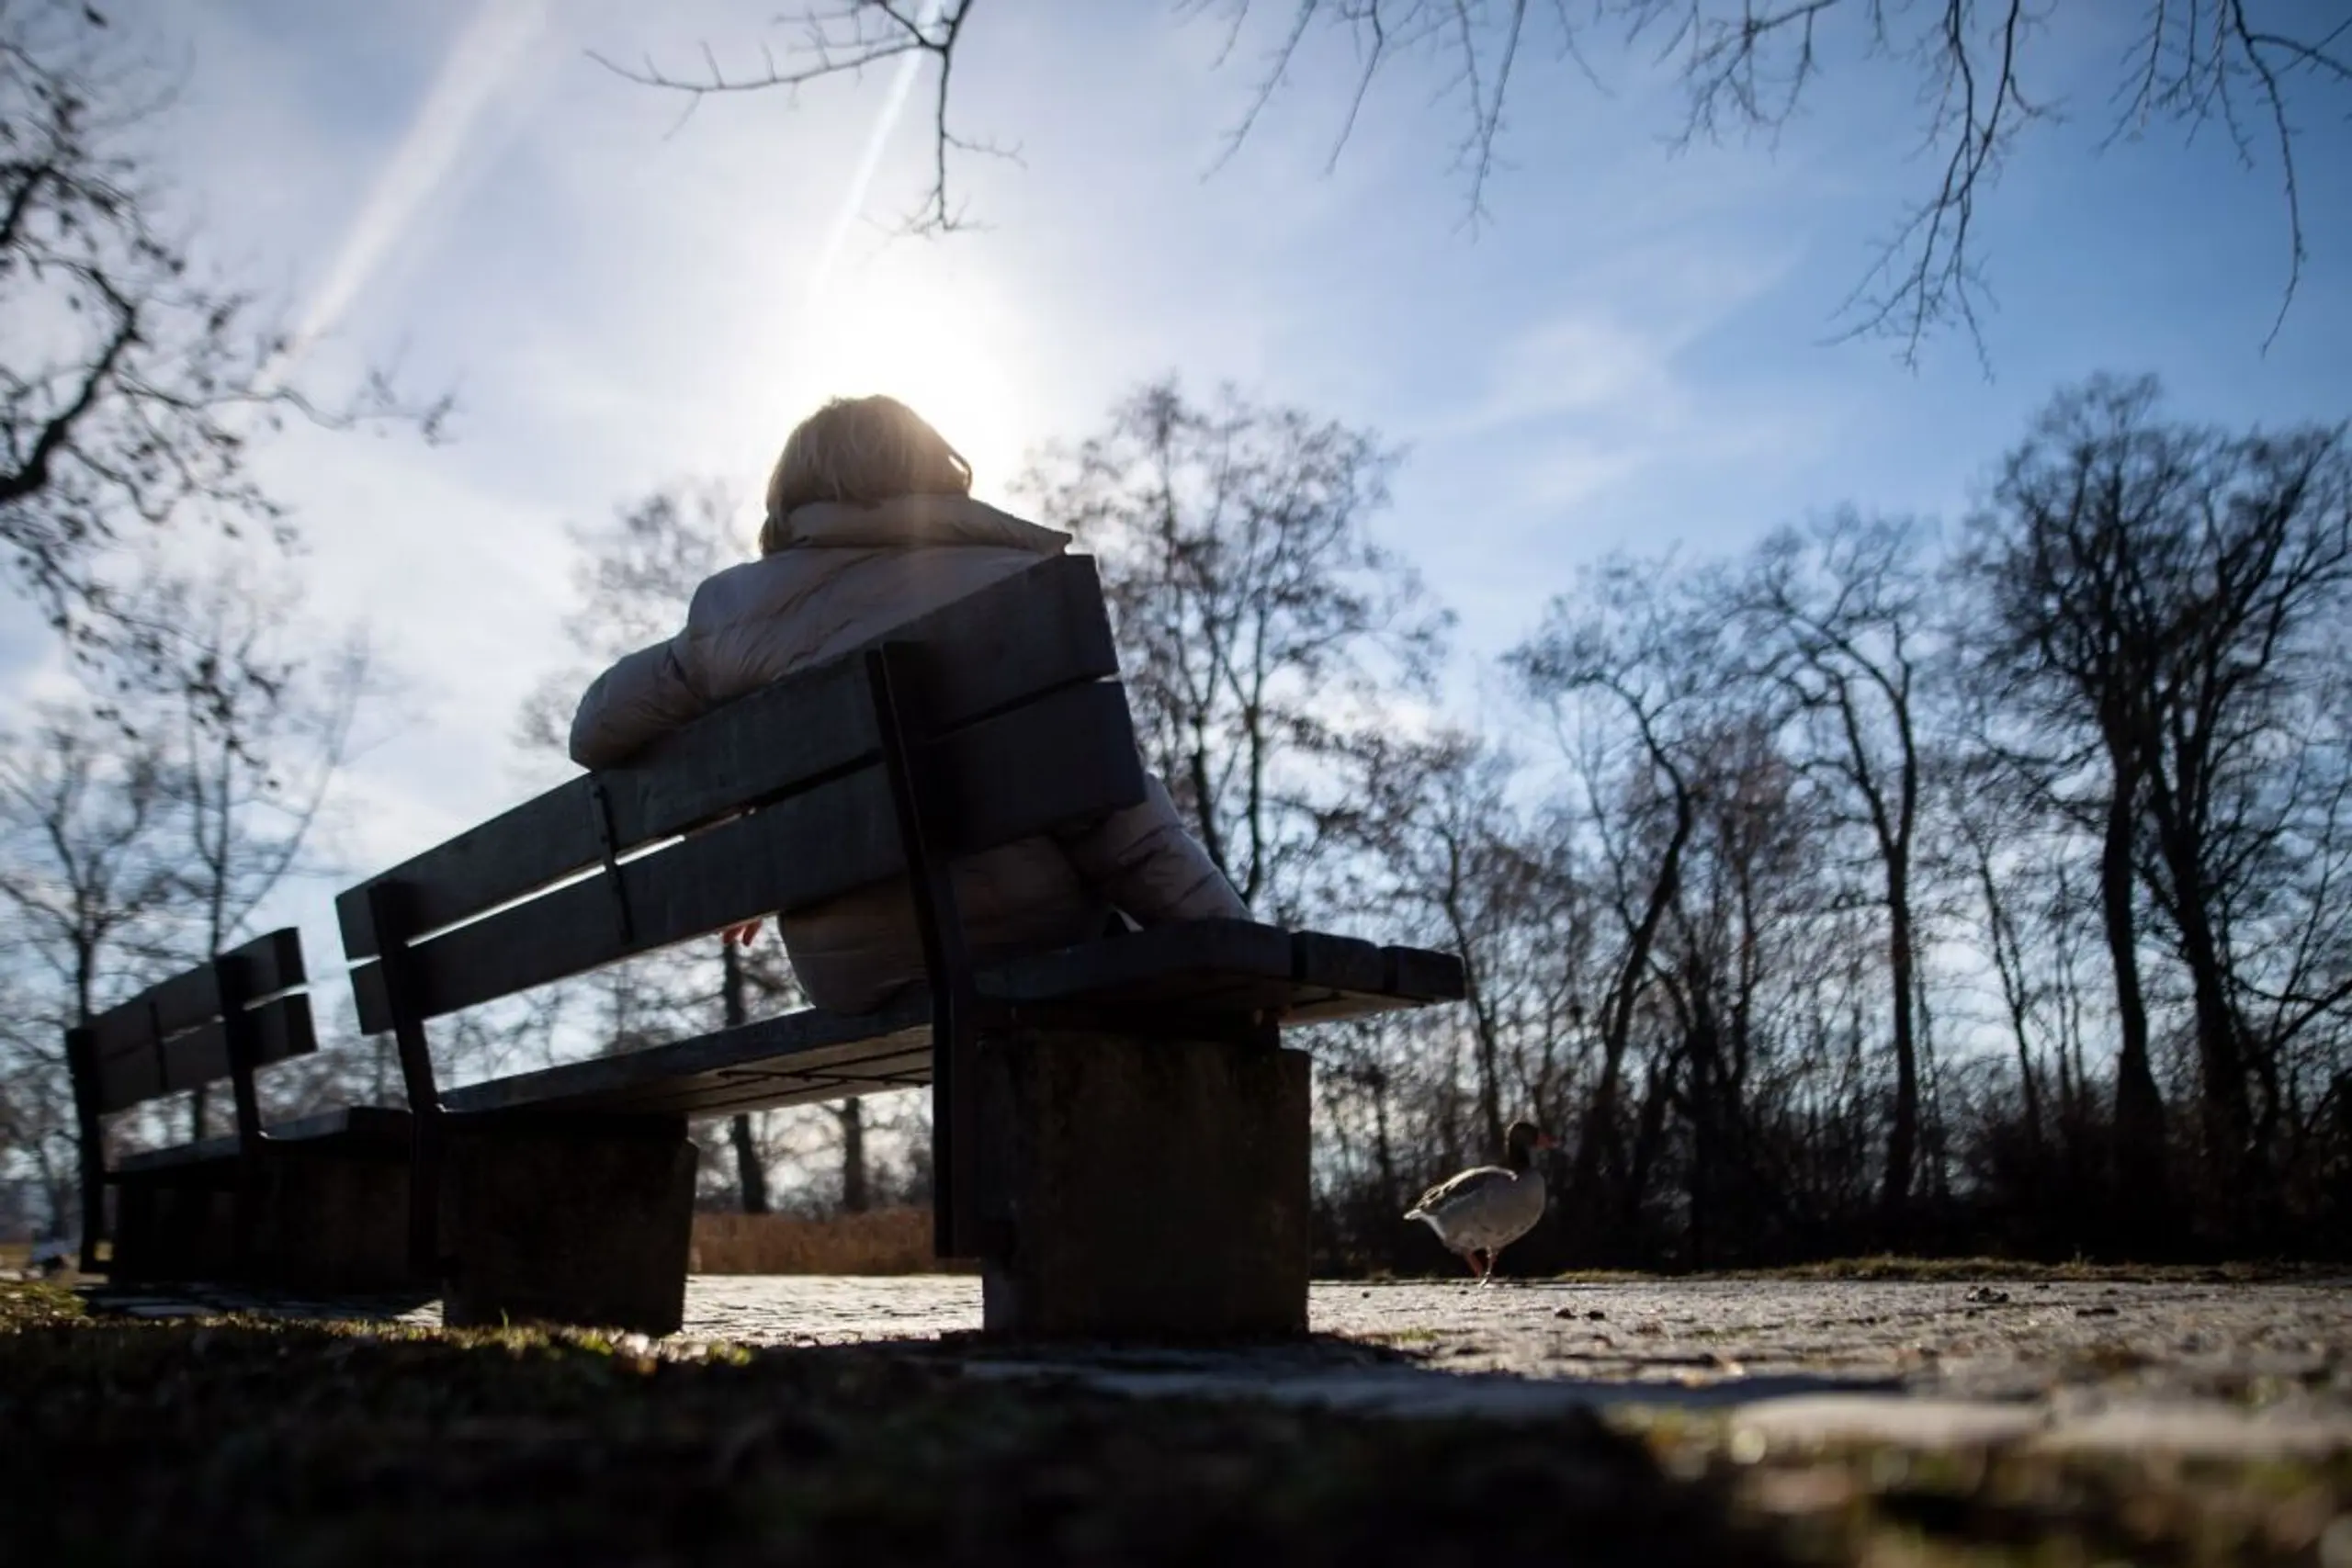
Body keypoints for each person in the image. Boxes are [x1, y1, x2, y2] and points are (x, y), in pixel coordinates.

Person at [570, 394, 1248, 1012]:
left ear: (792, 494)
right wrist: (1245, 954)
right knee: (1165, 972)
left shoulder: (729, 615)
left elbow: (595, 728)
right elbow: (1121, 824)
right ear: (933, 468)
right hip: (1025, 942)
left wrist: (732, 836)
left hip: (850, 975)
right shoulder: (1016, 589)